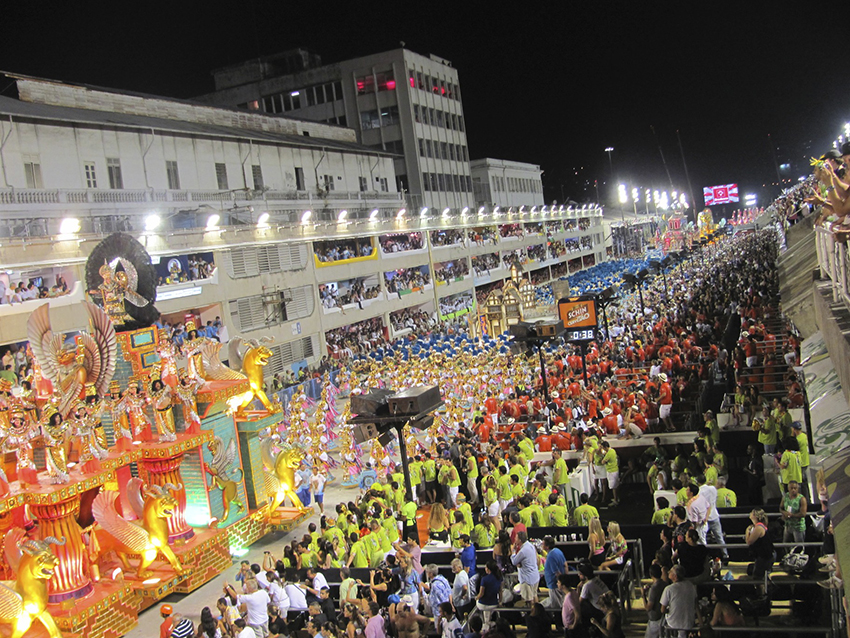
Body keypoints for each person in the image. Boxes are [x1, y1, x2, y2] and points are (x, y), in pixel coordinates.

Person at [659, 565, 698, 638]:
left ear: (675, 576)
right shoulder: (690, 585)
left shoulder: (669, 589)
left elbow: (662, 610)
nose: (668, 572)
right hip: (688, 621)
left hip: (674, 622)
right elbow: (696, 604)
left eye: (670, 571)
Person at [744, 509, 774, 582]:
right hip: (763, 555)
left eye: (752, 513)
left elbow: (749, 541)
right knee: (759, 577)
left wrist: (747, 531)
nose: (750, 513)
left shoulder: (759, 527)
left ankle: (762, 592)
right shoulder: (757, 526)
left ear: (755, 516)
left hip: (765, 556)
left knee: (757, 578)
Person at [511, 530, 540, 605]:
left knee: (529, 600)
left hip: (527, 579)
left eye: (516, 538)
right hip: (535, 576)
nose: (515, 540)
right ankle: (537, 613)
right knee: (534, 595)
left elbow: (514, 561)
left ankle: (532, 614)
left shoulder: (523, 551)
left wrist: (513, 551)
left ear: (520, 540)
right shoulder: (530, 545)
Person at [642, 564, 667, 638]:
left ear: (651, 574)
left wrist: (643, 595)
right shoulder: (665, 584)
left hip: (655, 620)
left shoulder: (653, 589)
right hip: (663, 618)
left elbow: (648, 608)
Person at [476, 560, 502, 630]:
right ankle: (488, 623)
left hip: (484, 604)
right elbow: (500, 591)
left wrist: (476, 598)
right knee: (487, 613)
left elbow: (481, 594)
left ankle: (487, 624)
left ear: (488, 569)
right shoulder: (499, 578)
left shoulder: (484, 579)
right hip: (494, 604)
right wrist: (500, 601)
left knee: (478, 604)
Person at [542, 536, 566, 608]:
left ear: (547, 546)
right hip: (558, 584)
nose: (542, 546)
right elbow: (565, 565)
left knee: (556, 607)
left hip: (555, 586)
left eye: (543, 544)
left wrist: (561, 583)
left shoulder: (551, 556)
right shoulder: (558, 551)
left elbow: (557, 573)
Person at [557, 573, 581, 638]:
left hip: (570, 627)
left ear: (563, 585)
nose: (557, 584)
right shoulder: (573, 592)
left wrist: (573, 626)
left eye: (558, 583)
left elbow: (577, 614)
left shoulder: (569, 597)